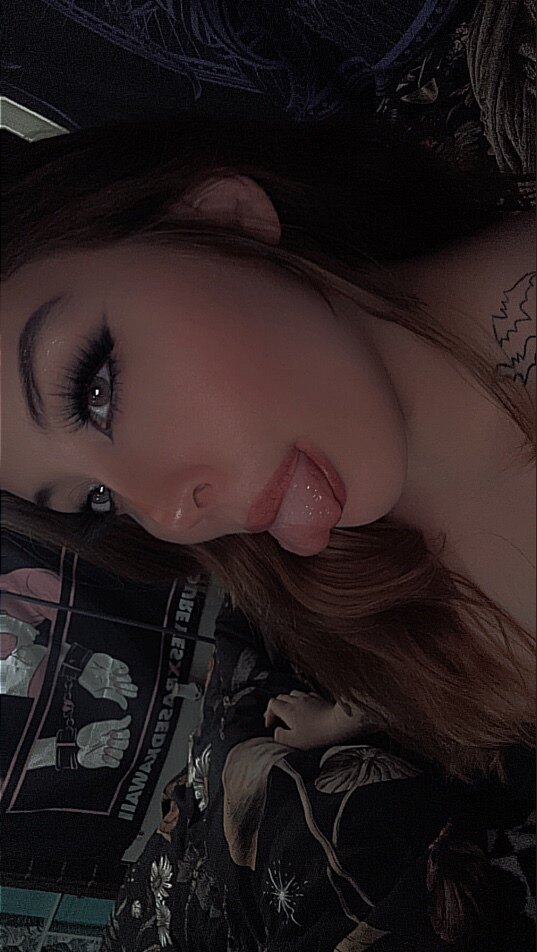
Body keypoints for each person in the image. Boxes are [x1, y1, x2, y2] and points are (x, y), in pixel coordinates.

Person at [1, 110, 535, 784]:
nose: (170, 516)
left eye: (95, 389)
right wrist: (351, 711)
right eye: (98, 498)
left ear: (225, 221)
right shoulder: (338, 580)